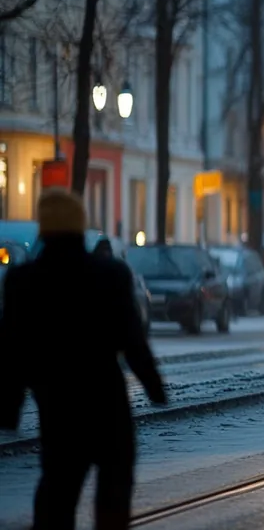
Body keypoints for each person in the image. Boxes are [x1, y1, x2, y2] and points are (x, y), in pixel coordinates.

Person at [0, 189, 167, 529]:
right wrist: (154, 387)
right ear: (81, 226)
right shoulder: (111, 275)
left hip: (57, 406)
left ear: (44, 229)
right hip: (108, 403)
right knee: (114, 495)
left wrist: (9, 409)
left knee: (57, 492)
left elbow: (13, 352)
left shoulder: (22, 281)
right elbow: (132, 340)